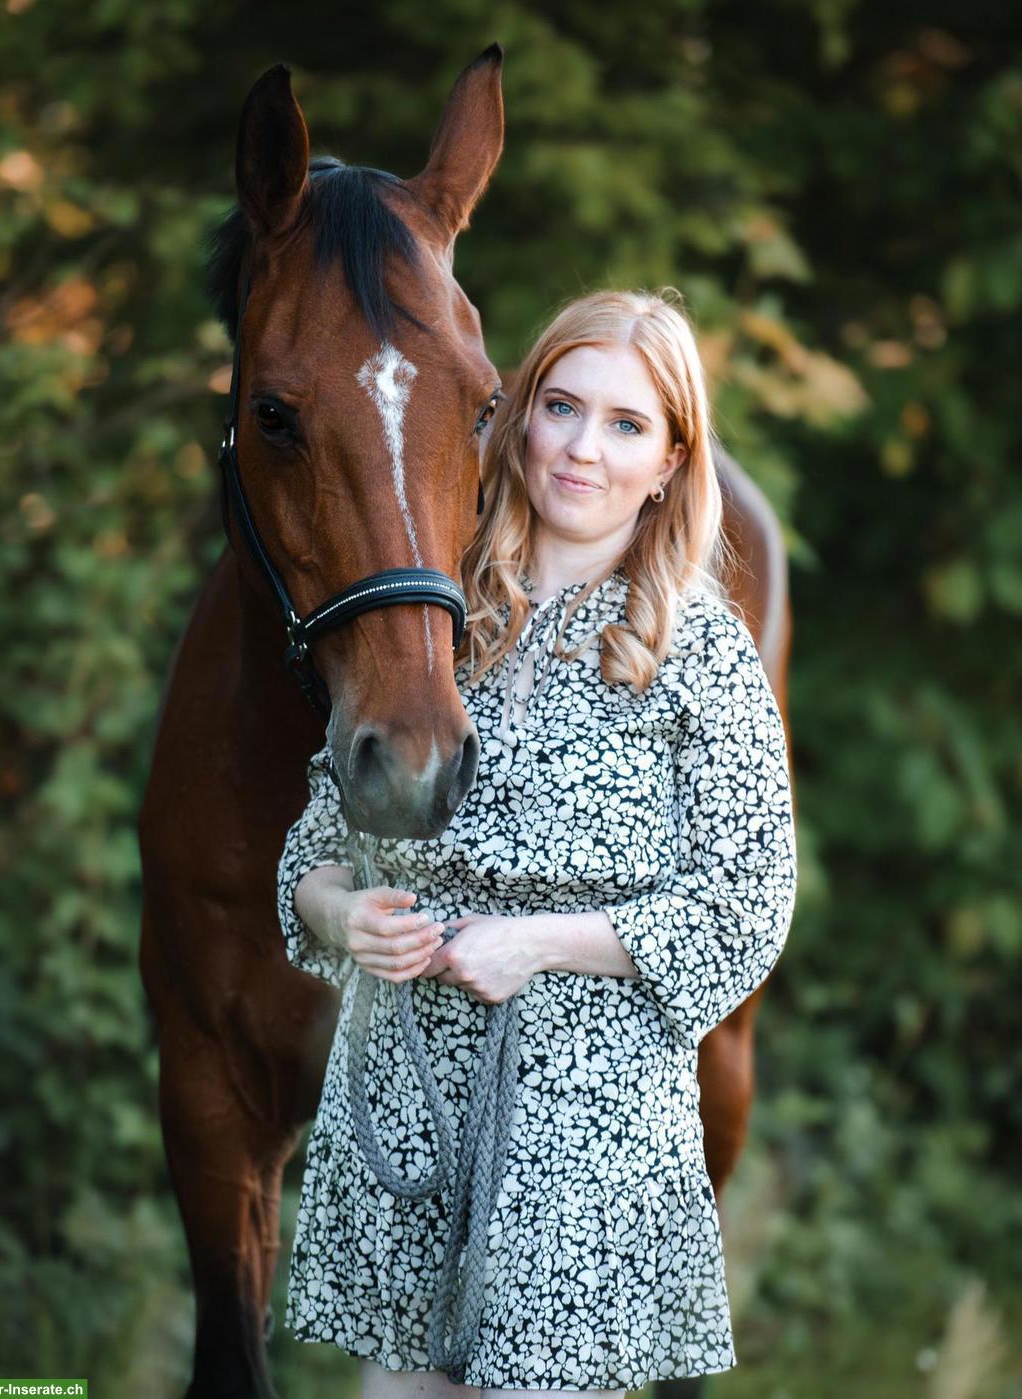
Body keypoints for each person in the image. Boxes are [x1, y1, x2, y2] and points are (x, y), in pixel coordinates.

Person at [277, 288, 798, 1398]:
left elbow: (745, 905)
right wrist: (345, 913)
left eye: (625, 423)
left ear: (668, 461)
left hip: (583, 1131)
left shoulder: (698, 651)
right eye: (561, 406)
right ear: (517, 419)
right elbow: (313, 847)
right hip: (411, 1105)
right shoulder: (434, 624)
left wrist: (539, 943)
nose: (582, 448)